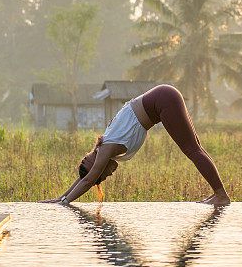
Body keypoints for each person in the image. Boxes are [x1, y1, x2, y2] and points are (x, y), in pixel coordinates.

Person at [43, 84, 231, 206]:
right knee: (196, 148)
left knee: (193, 150)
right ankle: (218, 194)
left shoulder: (106, 148)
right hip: (164, 96)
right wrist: (60, 197)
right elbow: (85, 177)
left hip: (163, 100)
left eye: (104, 175)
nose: (109, 175)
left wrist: (64, 202)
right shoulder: (104, 148)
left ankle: (221, 195)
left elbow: (88, 180)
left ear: (97, 167)